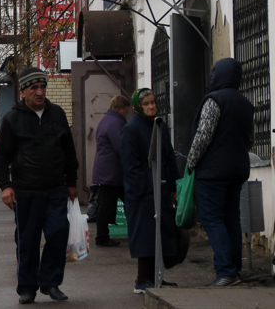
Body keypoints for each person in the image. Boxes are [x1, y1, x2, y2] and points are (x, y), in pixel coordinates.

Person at [0, 67, 79, 305]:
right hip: (26, 192)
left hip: (55, 190)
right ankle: (27, 288)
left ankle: (51, 283)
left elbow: (69, 152)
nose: (40, 92)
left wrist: (71, 182)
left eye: (43, 87)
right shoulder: (12, 119)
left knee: (57, 234)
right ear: (23, 91)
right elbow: (1, 158)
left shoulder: (57, 114)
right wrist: (5, 186)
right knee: (27, 241)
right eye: (34, 88)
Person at [186, 58, 253, 287]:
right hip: (238, 169)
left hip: (213, 172)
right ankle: (234, 268)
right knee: (231, 218)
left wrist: (191, 163)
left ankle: (225, 272)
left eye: (214, 71)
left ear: (220, 75)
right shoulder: (245, 102)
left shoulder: (214, 100)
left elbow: (203, 136)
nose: (211, 75)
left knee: (213, 220)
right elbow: (249, 140)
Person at [121, 88, 179, 294]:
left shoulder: (159, 125)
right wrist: (145, 188)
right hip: (143, 193)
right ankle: (142, 280)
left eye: (153, 102)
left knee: (160, 235)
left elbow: (168, 156)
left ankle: (157, 278)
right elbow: (129, 165)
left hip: (160, 189)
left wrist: (172, 185)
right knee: (146, 235)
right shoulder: (132, 129)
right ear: (138, 106)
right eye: (146, 104)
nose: (151, 106)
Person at [92, 95, 132, 247]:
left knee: (107, 204)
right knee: (116, 204)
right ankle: (102, 237)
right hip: (112, 171)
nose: (126, 113)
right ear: (121, 108)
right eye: (126, 110)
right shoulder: (116, 122)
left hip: (107, 170)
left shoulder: (107, 119)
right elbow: (121, 146)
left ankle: (103, 236)